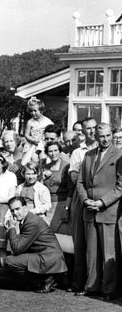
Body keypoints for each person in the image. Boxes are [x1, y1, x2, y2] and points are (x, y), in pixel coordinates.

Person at [76, 122, 122, 300]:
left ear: (112, 135)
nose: (105, 139)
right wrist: (85, 199)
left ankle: (108, 290)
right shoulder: (88, 155)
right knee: (91, 252)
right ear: (95, 136)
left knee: (109, 252)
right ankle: (92, 286)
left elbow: (120, 186)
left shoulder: (119, 155)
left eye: (108, 135)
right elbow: (80, 182)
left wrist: (102, 202)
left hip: (108, 210)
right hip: (89, 209)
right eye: (101, 136)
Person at [67, 117, 98, 292]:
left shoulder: (107, 150)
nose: (92, 131)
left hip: (99, 198)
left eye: (94, 128)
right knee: (80, 242)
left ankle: (95, 283)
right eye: (88, 129)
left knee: (96, 242)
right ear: (83, 132)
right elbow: (74, 178)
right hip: (81, 198)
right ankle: (78, 282)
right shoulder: (78, 152)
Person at [42, 141, 74, 233]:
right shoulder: (45, 167)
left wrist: (66, 209)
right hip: (48, 205)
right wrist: (42, 178)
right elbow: (40, 188)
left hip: (62, 204)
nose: (53, 153)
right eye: (50, 151)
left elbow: (71, 190)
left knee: (62, 235)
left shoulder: (67, 166)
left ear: (60, 151)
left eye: (55, 150)